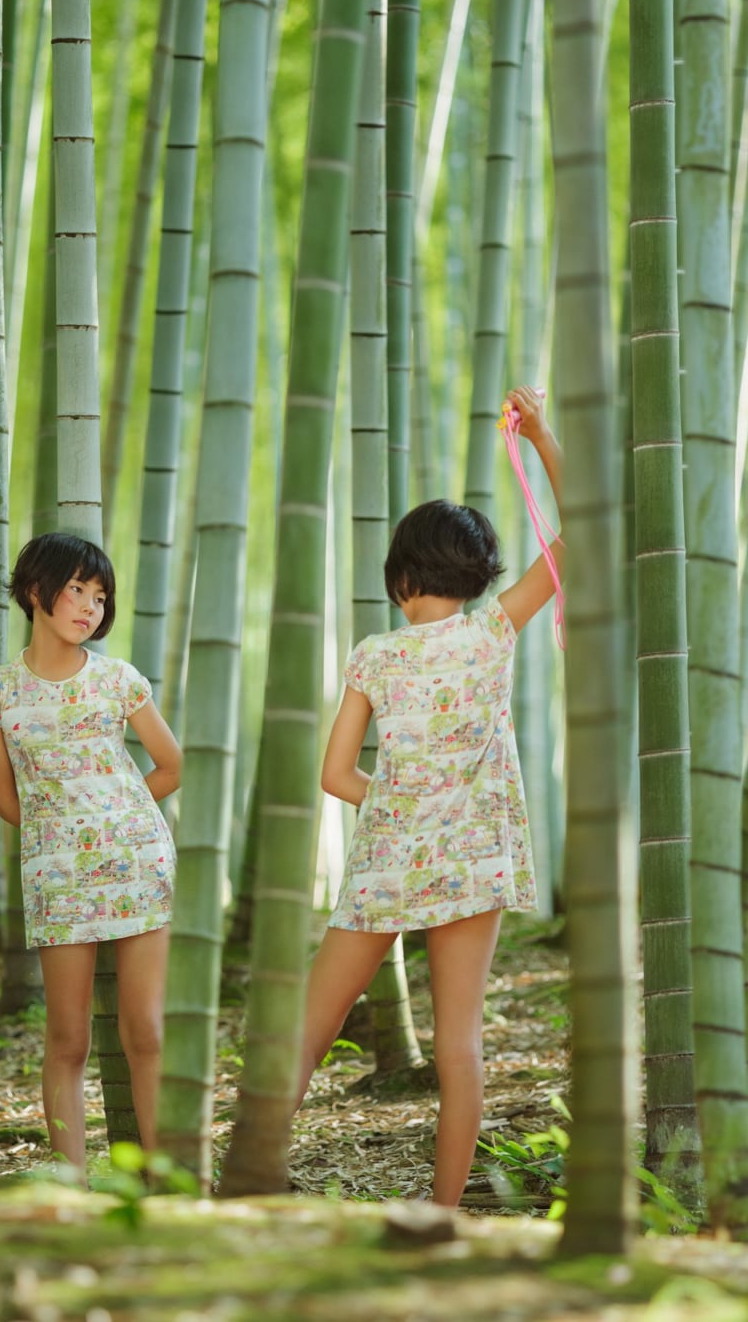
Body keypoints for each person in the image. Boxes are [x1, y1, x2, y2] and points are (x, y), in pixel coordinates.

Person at [297, 385, 562, 1209]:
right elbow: (578, 540)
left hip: (386, 858)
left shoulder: (377, 654)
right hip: (473, 861)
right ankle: (443, 1214)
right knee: (459, 1045)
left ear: (402, 575)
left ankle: (245, 1181)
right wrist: (543, 438)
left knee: (309, 1025)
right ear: (480, 576)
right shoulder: (493, 630)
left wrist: (399, 801)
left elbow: (336, 776)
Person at [0, 533, 182, 1179]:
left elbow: (170, 766)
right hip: (57, 876)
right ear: (36, 592)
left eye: (100, 595)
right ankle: (71, 1184)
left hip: (139, 863)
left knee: (145, 1030)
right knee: (68, 1039)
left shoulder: (118, 678)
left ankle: (166, 1178)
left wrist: (117, 815)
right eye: (77, 590)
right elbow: (9, 803)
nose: (91, 606)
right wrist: (70, 828)